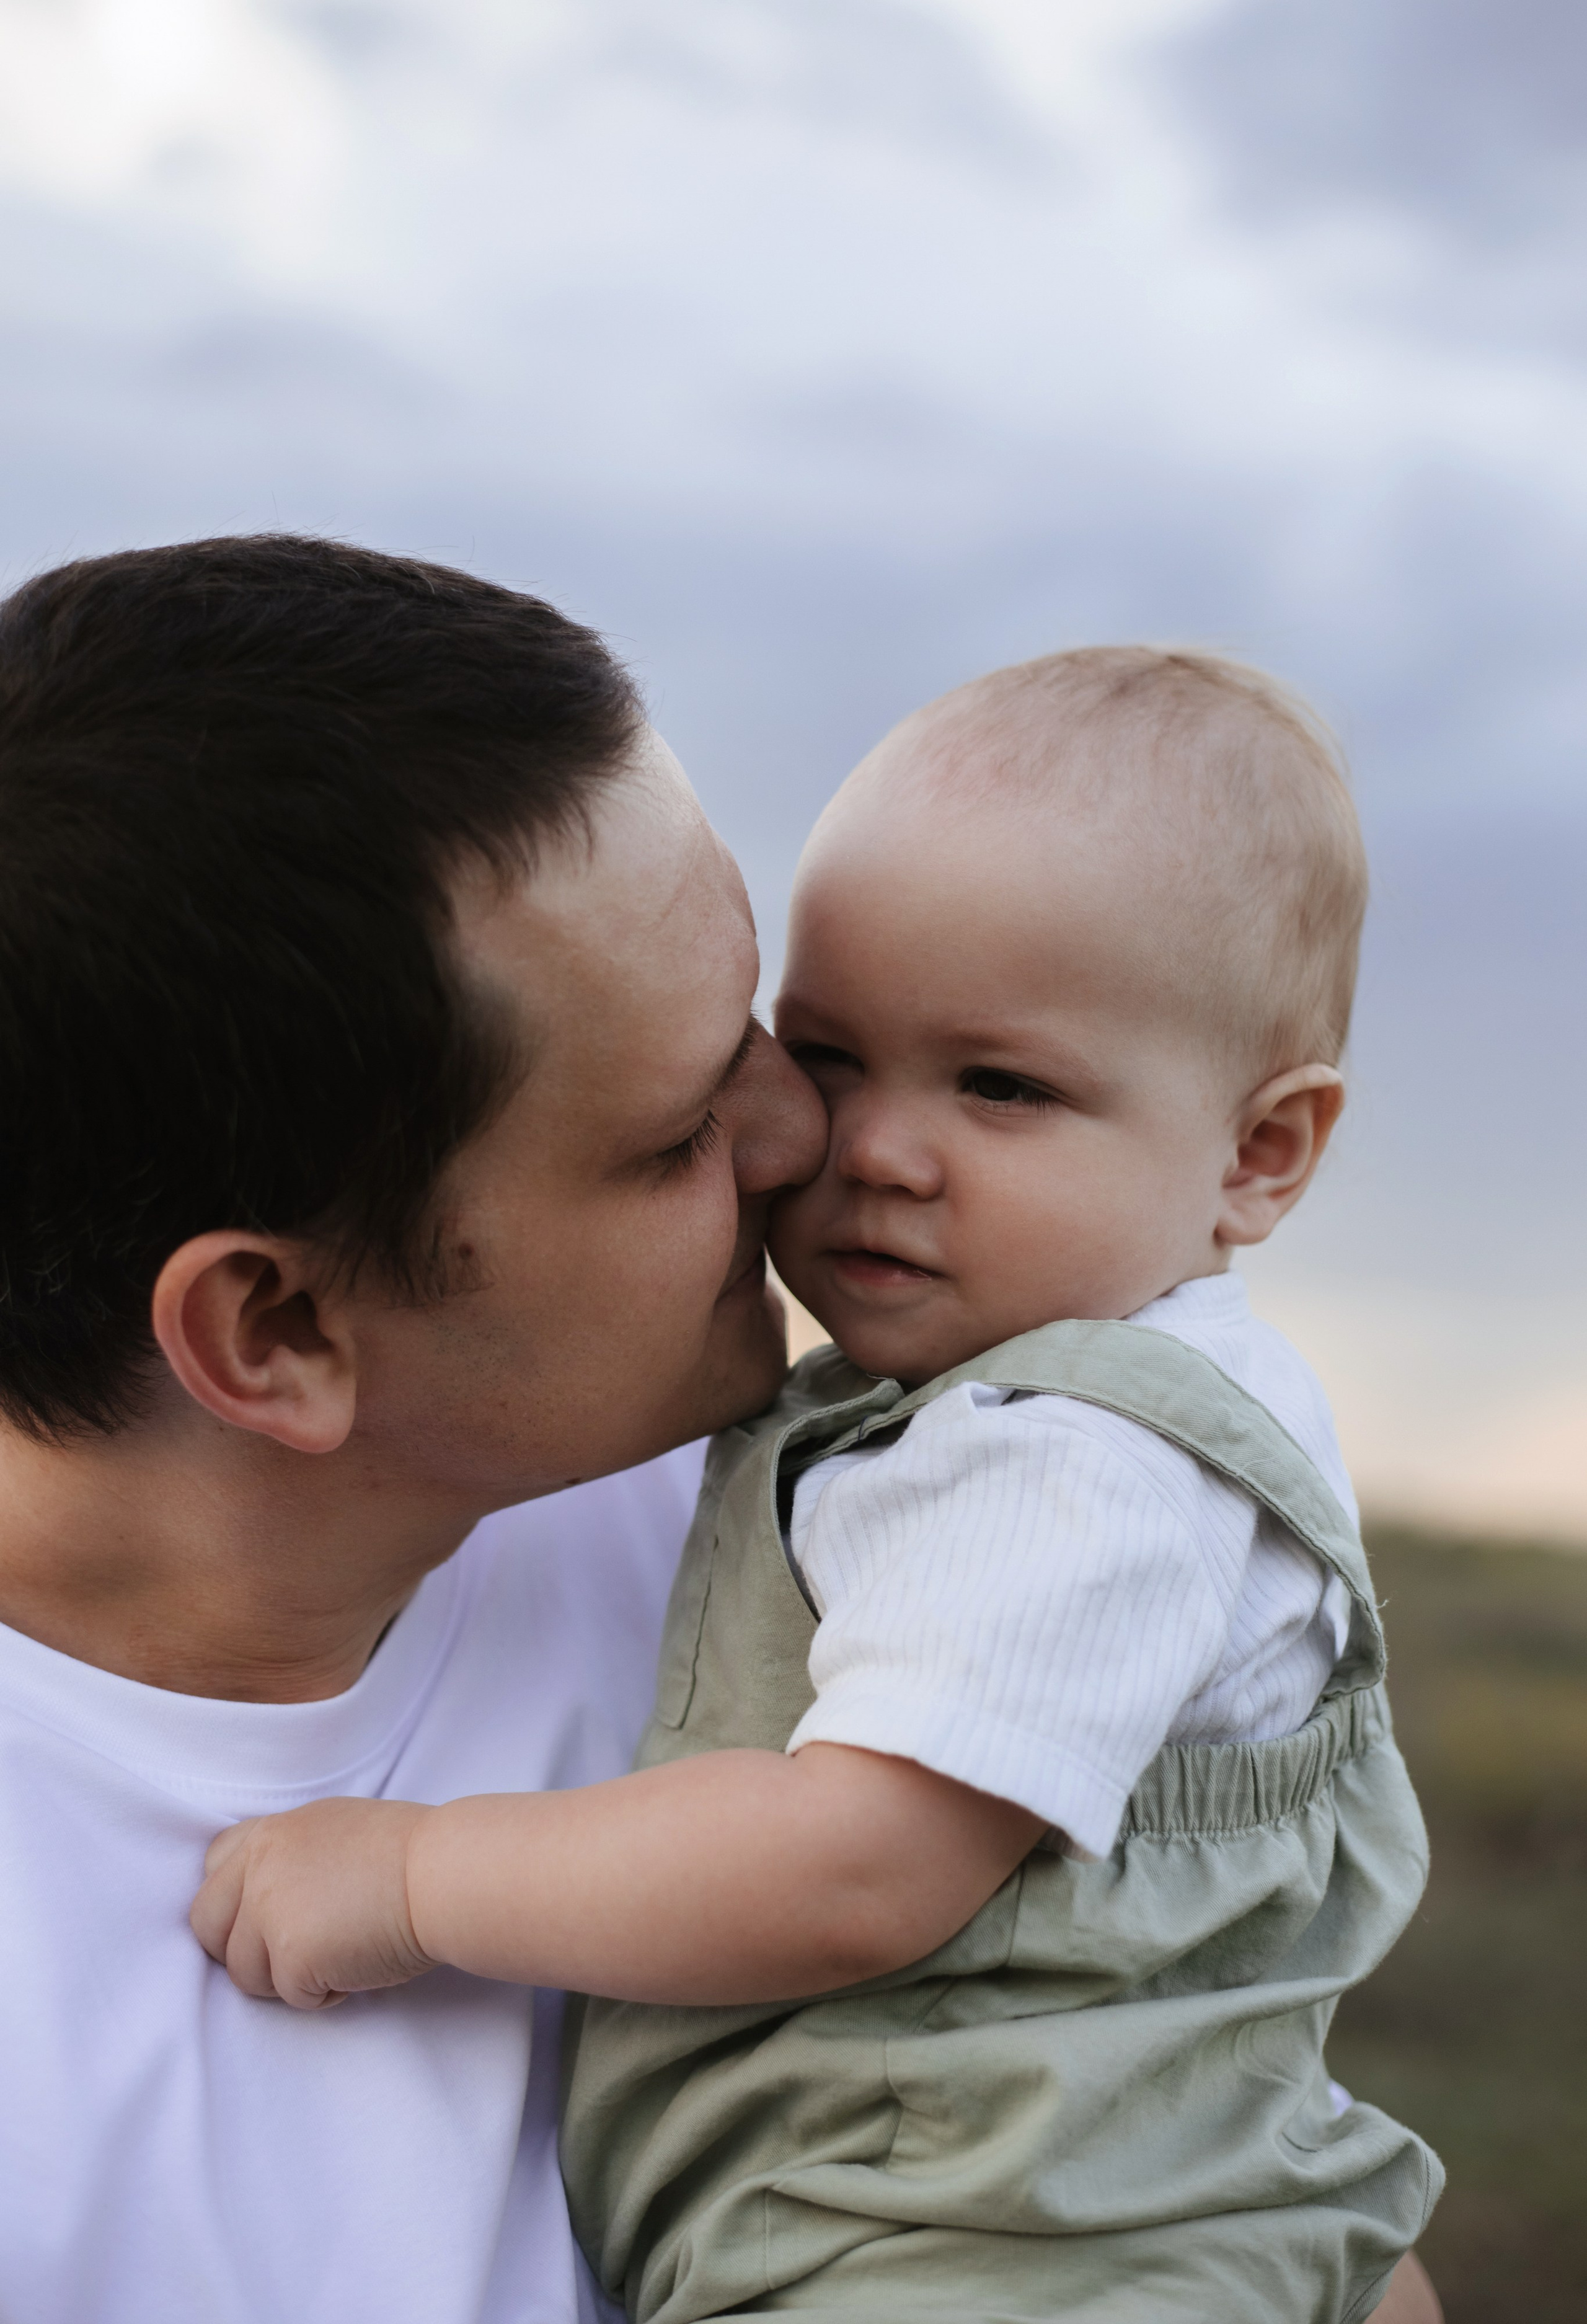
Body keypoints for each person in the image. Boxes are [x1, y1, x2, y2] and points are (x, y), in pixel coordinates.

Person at [195, 648, 1444, 2323]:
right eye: (835, 1053)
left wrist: (421, 1878)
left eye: (999, 1086)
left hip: (988, 2257)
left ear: (1260, 1154)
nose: (865, 1148)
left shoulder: (1079, 1460)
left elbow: (860, 1864)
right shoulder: (959, 1421)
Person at [0, 533, 825, 2324]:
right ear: (278, 1330)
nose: (801, 1133)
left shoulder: (833, 1535)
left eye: (756, 1024)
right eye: (678, 1135)